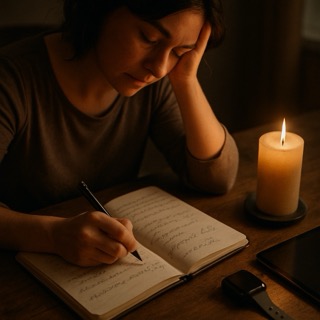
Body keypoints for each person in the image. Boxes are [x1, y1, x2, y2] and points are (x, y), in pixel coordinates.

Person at [0, 0, 238, 266]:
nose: (159, 68)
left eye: (179, 51)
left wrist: (186, 80)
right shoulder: (11, 81)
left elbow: (216, 178)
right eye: (149, 38)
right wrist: (53, 236)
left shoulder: (152, 82)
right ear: (100, 10)